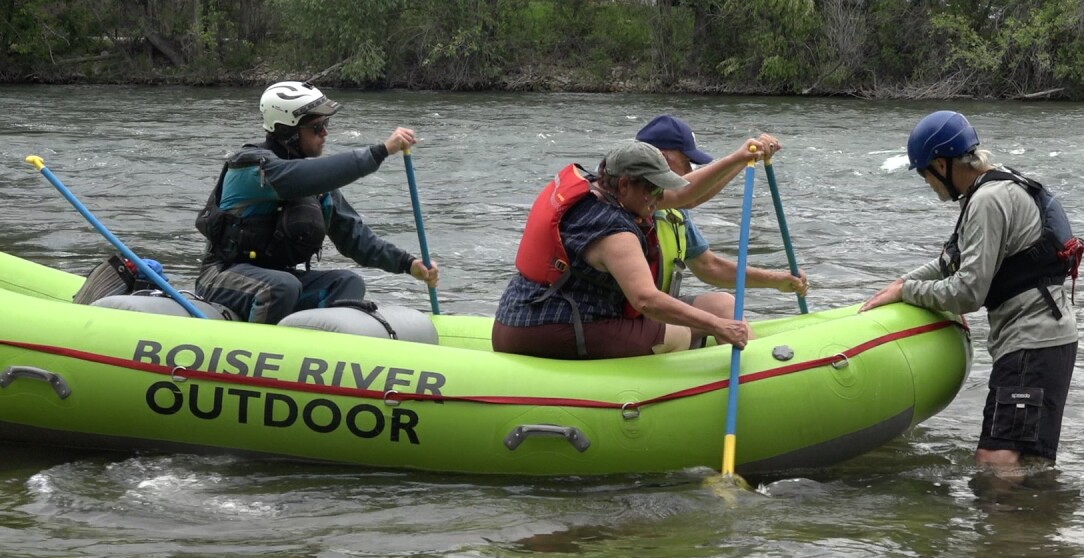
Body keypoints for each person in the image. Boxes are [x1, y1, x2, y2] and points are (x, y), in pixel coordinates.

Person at [860, 110, 1084, 497]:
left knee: (994, 464)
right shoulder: (1000, 186)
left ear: (942, 164)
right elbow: (952, 261)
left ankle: (1004, 550)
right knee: (1028, 462)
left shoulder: (988, 200)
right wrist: (903, 282)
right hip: (1047, 343)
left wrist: (907, 294)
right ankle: (1037, 542)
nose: (928, 184)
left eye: (925, 173)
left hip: (1030, 347)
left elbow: (968, 291)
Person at [194, 80, 439, 324]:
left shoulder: (318, 187)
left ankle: (323, 351)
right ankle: (263, 352)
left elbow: (355, 238)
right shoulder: (251, 170)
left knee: (348, 282)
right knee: (282, 286)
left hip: (277, 279)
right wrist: (381, 150)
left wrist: (408, 264)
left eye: (326, 124)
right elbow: (299, 177)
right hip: (222, 275)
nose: (325, 133)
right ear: (288, 131)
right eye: (317, 127)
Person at [491, 140, 754, 360]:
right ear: (626, 184)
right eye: (653, 188)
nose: (658, 197)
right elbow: (645, 300)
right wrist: (717, 325)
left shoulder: (600, 186)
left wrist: (738, 158)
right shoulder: (612, 230)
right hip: (544, 328)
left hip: (520, 315)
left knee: (701, 315)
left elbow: (686, 195)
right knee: (679, 333)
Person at [634, 114, 808, 320]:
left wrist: (777, 280)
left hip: (653, 313)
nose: (691, 170)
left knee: (724, 304)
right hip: (626, 321)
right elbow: (687, 196)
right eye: (687, 162)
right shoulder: (628, 197)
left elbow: (709, 267)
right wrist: (740, 159)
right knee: (722, 312)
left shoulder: (674, 212)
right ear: (662, 158)